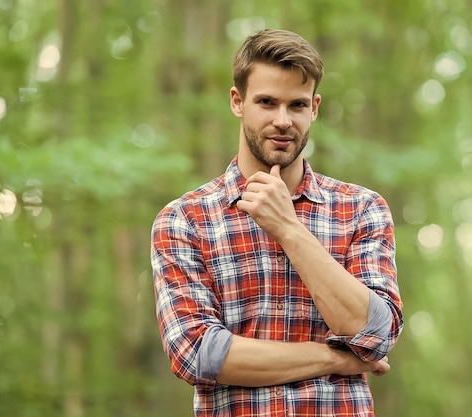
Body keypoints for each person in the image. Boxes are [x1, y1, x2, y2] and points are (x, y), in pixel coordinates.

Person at [150, 28, 404, 416]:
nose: (283, 120)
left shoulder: (362, 209)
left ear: (315, 108)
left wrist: (288, 227)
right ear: (238, 102)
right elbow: (197, 354)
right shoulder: (185, 219)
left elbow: (375, 334)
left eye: (297, 105)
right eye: (267, 102)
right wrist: (335, 359)